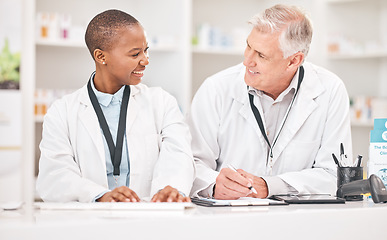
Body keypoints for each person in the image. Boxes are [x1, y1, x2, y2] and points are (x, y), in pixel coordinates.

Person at [187, 4, 352, 199]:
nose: (247, 61)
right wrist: (213, 185)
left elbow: (334, 175)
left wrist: (272, 186)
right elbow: (191, 163)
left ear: (293, 61)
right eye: (248, 46)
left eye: (261, 55)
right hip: (229, 219)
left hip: (300, 221)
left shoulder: (330, 91)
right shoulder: (216, 89)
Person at [36, 9, 195, 203]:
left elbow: (179, 156)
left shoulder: (161, 103)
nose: (145, 60)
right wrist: (100, 195)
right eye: (135, 54)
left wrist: (169, 190)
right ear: (101, 57)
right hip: (89, 223)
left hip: (149, 218)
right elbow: (55, 175)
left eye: (146, 51)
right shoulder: (62, 112)